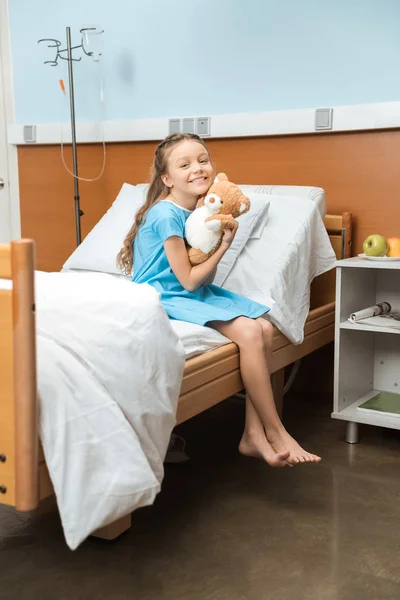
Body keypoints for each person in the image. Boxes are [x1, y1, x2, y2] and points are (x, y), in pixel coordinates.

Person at [117, 133, 321, 467]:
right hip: (160, 296)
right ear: (167, 179)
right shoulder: (166, 215)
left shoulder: (198, 215)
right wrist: (225, 245)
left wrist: (215, 239)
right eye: (184, 165)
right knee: (250, 332)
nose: (197, 168)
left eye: (203, 160)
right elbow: (187, 278)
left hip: (188, 292)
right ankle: (276, 430)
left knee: (265, 328)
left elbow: (202, 277)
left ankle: (252, 435)